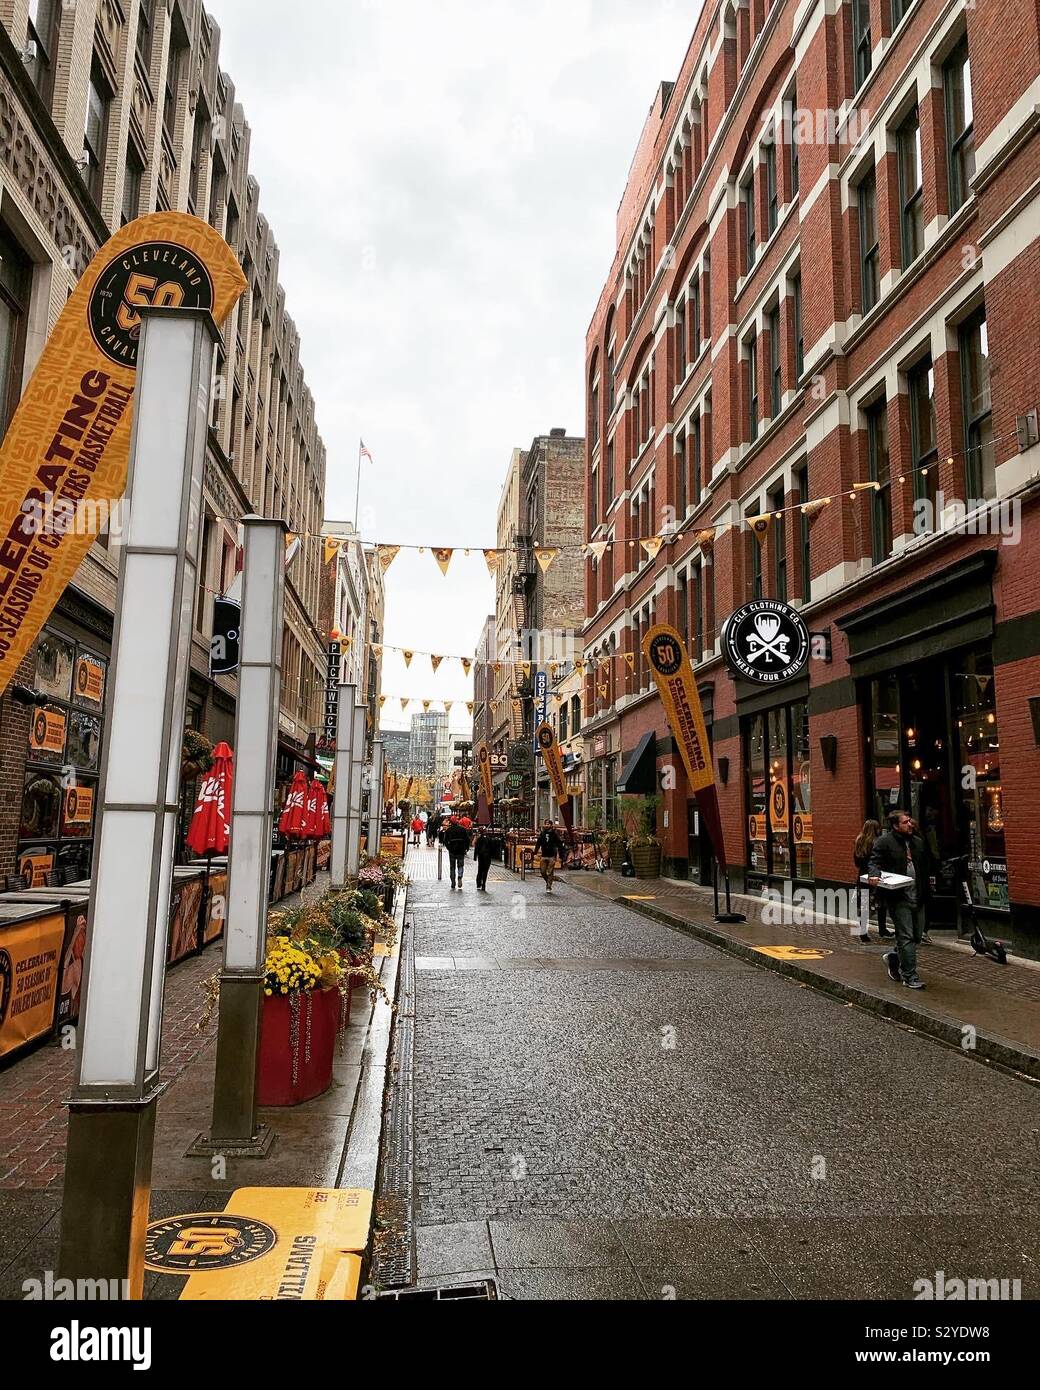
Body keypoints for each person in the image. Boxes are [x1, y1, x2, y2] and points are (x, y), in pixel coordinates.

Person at [867, 808, 930, 989]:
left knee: (917, 936)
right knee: (906, 936)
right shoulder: (884, 842)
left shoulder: (918, 842)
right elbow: (873, 862)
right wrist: (874, 874)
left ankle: (894, 956)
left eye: (910, 821)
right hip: (899, 897)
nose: (910, 824)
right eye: (905, 822)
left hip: (918, 896)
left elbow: (926, 866)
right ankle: (910, 976)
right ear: (895, 825)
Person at [852, 819, 891, 942]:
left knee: (864, 905)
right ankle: (882, 928)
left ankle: (863, 933)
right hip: (875, 876)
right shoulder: (877, 842)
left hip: (862, 876)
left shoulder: (859, 841)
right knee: (881, 903)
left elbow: (856, 861)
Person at [534, 819, 566, 893]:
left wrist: (561, 856)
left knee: (550, 872)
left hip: (552, 856)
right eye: (545, 824)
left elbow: (560, 845)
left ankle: (549, 886)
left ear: (551, 825)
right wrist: (535, 852)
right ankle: (548, 881)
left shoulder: (554, 834)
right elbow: (538, 843)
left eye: (548, 824)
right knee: (542, 871)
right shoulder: (542, 834)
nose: (546, 825)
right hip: (544, 855)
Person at [442, 817, 471, 890]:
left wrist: (449, 848)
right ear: (457, 822)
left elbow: (445, 841)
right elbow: (467, 839)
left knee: (452, 867)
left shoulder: (448, 830)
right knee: (460, 865)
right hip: (461, 850)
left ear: (451, 823)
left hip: (452, 851)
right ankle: (460, 876)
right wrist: (466, 848)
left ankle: (453, 882)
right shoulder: (463, 830)